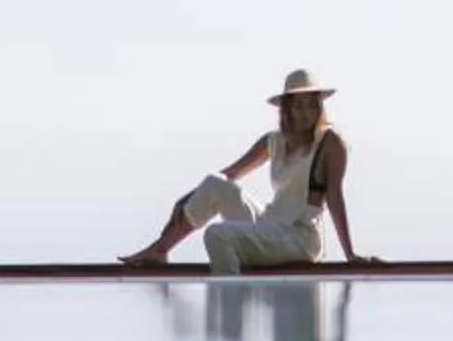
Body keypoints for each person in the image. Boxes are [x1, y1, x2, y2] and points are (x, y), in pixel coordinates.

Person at [119, 69, 378, 273]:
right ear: (286, 108)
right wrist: (186, 199)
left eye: (311, 105)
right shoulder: (274, 140)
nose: (305, 112)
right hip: (270, 223)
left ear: (320, 107)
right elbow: (230, 174)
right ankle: (160, 250)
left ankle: (234, 304)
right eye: (298, 105)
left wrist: (350, 255)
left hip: (300, 238)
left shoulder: (330, 142)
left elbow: (334, 197)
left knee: (217, 235)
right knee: (213, 183)